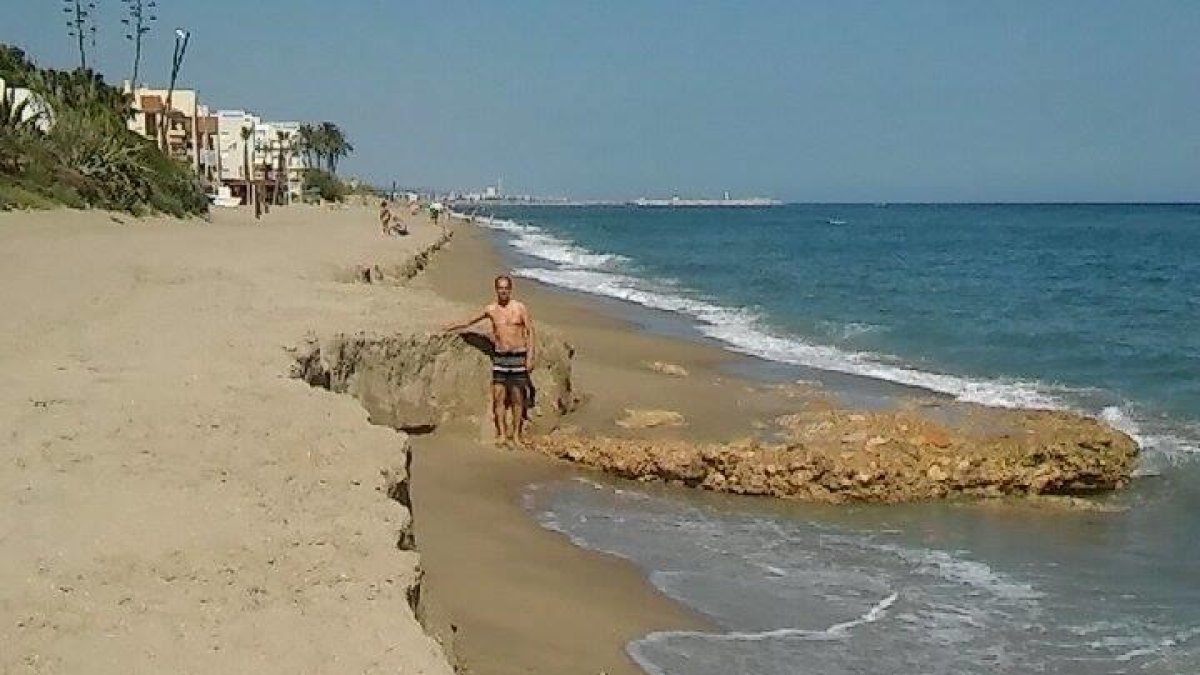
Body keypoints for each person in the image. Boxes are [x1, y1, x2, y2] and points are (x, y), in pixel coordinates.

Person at [442, 275, 535, 447]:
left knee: (517, 398)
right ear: (496, 290)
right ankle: (501, 434)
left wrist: (530, 357)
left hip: (517, 357)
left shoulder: (520, 308)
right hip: (500, 357)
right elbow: (469, 320)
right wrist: (450, 326)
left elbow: (530, 332)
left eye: (506, 288)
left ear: (510, 289)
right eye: (500, 288)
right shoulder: (491, 309)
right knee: (498, 397)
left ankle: (515, 436)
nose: (503, 291)